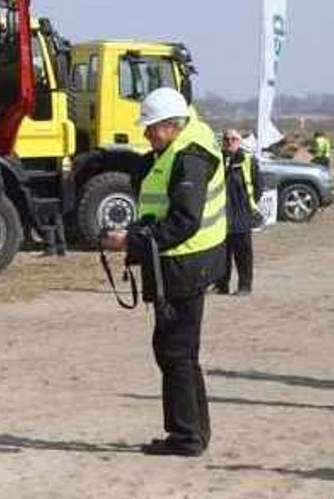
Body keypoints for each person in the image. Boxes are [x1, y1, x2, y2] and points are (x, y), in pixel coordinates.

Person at [103, 87, 227, 457]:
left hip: (185, 264)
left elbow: (184, 221)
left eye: (151, 128)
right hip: (182, 262)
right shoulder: (177, 149)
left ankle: (186, 437)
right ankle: (191, 433)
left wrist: (131, 242)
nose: (146, 135)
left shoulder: (189, 159)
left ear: (173, 126)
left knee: (175, 351)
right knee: (178, 351)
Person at [215, 129, 261, 295]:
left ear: (239, 141)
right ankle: (221, 285)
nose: (229, 142)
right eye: (226, 139)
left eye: (233, 139)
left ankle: (244, 286)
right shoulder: (217, 159)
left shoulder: (248, 160)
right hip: (221, 215)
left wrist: (247, 205)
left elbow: (258, 187)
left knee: (243, 255)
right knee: (222, 255)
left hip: (241, 215)